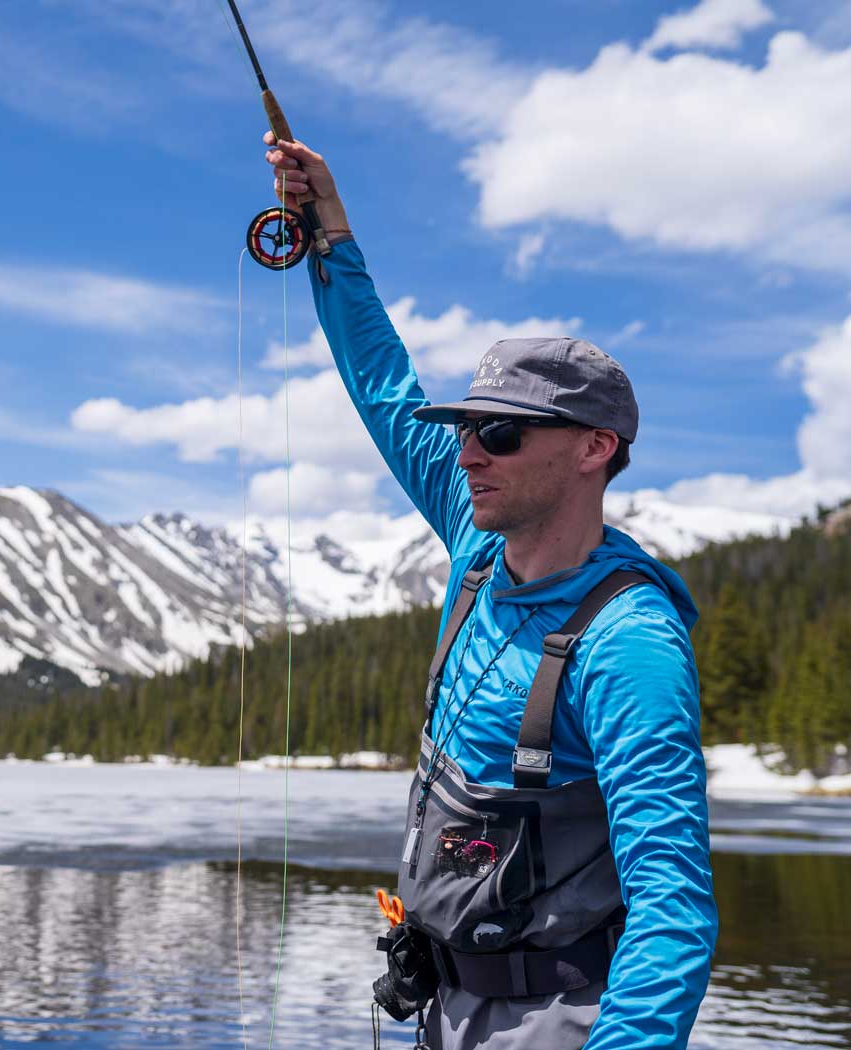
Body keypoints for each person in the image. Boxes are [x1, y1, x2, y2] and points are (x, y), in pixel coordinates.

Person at [264, 134, 717, 1050]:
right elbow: (383, 385)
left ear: (596, 448)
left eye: (502, 434)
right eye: (468, 429)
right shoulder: (478, 534)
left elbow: (671, 905)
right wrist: (330, 237)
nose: (469, 452)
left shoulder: (629, 643)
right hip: (442, 1009)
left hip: (554, 1021)